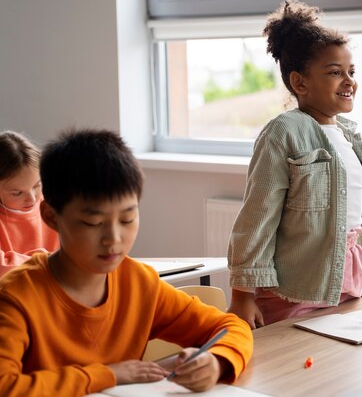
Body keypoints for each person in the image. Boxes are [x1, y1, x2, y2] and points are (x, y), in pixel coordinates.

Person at [0, 128, 253, 397]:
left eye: (127, 219)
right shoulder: (17, 297)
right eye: (93, 223)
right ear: (50, 216)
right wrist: (108, 374)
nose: (113, 239)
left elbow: (230, 327)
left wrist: (216, 361)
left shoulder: (138, 283)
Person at [228, 0, 362, 329]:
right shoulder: (284, 132)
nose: (348, 81)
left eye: (351, 72)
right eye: (335, 73)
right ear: (300, 82)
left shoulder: (348, 135)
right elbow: (257, 217)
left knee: (335, 365)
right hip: (293, 288)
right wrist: (242, 296)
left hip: (344, 277)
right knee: (291, 367)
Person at [0, 130, 59, 278]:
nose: (32, 199)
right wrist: (47, 261)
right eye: (17, 193)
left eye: (37, 185)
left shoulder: (56, 206)